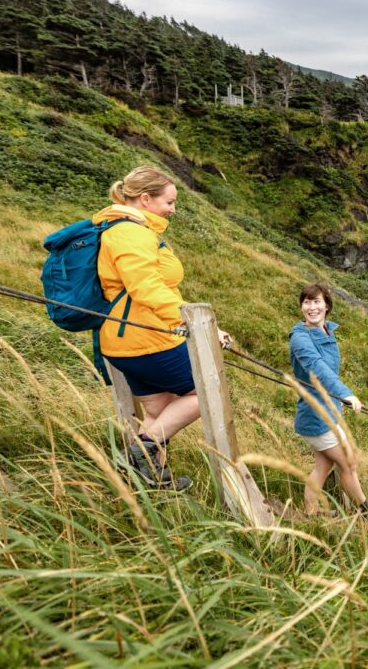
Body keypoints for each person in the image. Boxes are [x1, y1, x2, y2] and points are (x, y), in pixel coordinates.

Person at [95, 165, 231, 490]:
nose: (173, 209)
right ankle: (137, 454)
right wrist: (190, 323)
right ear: (145, 198)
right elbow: (145, 288)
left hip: (127, 340)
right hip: (147, 338)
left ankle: (151, 481)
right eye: (169, 202)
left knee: (159, 409)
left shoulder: (131, 228)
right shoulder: (130, 233)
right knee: (206, 392)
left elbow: (151, 286)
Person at [289, 283, 368, 519]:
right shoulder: (300, 339)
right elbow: (318, 369)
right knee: (348, 462)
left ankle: (312, 513)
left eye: (317, 302)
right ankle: (366, 509)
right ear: (301, 306)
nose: (312, 307)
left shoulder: (326, 331)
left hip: (329, 412)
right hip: (316, 416)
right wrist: (346, 393)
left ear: (327, 306)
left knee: (323, 468)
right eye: (307, 302)